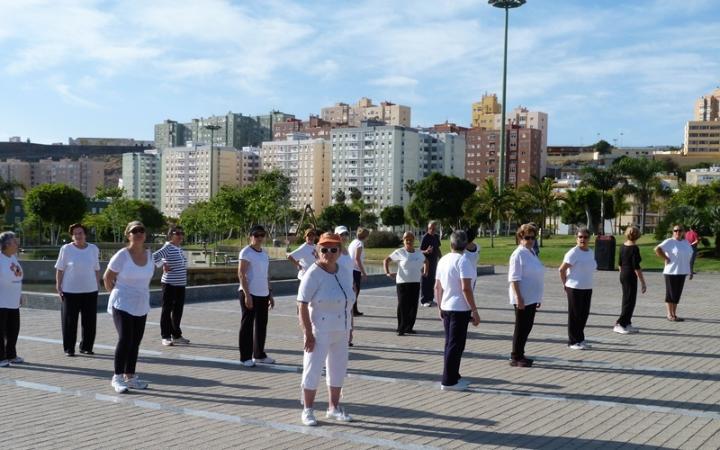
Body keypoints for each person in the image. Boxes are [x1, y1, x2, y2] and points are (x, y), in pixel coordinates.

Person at [298, 232, 355, 426]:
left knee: (337, 370)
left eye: (333, 249)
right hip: (319, 330)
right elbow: (302, 304)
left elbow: (349, 302)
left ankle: (333, 407)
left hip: (341, 329)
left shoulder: (344, 271)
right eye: (324, 249)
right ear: (317, 250)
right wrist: (307, 333)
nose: (328, 253)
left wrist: (351, 327)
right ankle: (307, 410)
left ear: (340, 251)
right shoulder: (313, 274)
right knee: (312, 369)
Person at [103, 221, 154, 393]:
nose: (138, 233)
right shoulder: (122, 255)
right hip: (122, 302)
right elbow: (107, 278)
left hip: (141, 303)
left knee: (135, 341)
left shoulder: (150, 254)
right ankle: (117, 377)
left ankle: (130, 377)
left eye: (141, 230)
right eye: (134, 231)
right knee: (125, 338)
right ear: (128, 235)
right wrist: (115, 294)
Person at [435, 230, 480, 391]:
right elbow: (466, 288)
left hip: (447, 305)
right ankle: (448, 381)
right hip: (459, 308)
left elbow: (437, 287)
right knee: (455, 345)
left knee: (451, 344)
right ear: (465, 243)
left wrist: (439, 306)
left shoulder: (444, 260)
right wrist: (474, 310)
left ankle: (454, 375)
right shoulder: (464, 261)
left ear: (451, 243)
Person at [55, 223, 100, 357]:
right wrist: (58, 285)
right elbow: (60, 268)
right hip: (70, 291)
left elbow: (96, 269)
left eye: (80, 233)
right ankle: (69, 348)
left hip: (90, 290)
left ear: (85, 234)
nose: (78, 236)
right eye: (75, 234)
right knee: (69, 321)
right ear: (72, 236)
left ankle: (86, 346)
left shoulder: (93, 249)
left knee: (90, 321)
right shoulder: (66, 249)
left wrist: (97, 285)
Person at [238, 225, 275, 367]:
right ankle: (245, 357)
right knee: (247, 326)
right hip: (249, 293)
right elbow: (241, 274)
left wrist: (270, 293)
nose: (259, 238)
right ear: (250, 236)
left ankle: (259, 354)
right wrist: (247, 295)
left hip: (263, 293)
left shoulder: (264, 253)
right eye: (256, 235)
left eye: (262, 235)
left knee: (261, 325)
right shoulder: (246, 252)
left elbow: (266, 275)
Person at [508, 224, 544, 367]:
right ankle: (515, 357)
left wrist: (538, 297)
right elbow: (514, 278)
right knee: (521, 327)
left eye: (533, 238)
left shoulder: (531, 252)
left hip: (532, 297)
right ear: (520, 237)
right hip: (522, 298)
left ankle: (521, 353)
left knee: (527, 327)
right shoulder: (518, 254)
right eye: (527, 237)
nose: (530, 240)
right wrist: (519, 298)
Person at [559, 227, 597, 350]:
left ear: (589, 238)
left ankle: (580, 339)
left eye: (585, 237)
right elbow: (562, 269)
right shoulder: (573, 253)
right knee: (575, 315)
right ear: (576, 238)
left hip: (587, 287)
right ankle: (573, 341)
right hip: (574, 287)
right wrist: (565, 284)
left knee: (584, 315)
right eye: (580, 237)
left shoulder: (590, 252)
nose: (583, 239)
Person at [383, 232, 428, 336]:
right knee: (403, 305)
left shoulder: (418, 253)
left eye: (411, 239)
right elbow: (386, 260)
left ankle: (409, 327)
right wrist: (387, 273)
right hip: (402, 283)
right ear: (403, 241)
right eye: (406, 239)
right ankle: (401, 328)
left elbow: (426, 262)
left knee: (413, 306)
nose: (409, 241)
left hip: (415, 282)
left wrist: (426, 272)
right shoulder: (400, 252)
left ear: (414, 240)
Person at [152, 226, 189, 347]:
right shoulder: (168, 247)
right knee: (167, 310)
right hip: (169, 284)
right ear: (171, 235)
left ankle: (176, 335)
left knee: (178, 311)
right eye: (177, 233)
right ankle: (165, 336)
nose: (180, 235)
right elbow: (154, 256)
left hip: (180, 284)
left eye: (181, 233)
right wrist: (163, 264)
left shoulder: (179, 248)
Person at [655, 224, 693, 322]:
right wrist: (666, 258)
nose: (678, 232)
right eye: (675, 231)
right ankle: (669, 314)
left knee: (677, 294)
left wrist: (690, 270)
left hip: (682, 271)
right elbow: (657, 249)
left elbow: (689, 257)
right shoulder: (670, 241)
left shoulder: (686, 242)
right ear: (673, 232)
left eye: (680, 230)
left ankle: (674, 314)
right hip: (671, 272)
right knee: (670, 293)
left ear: (683, 232)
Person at [614, 225, 646, 334]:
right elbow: (636, 267)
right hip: (630, 275)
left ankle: (627, 323)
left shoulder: (622, 246)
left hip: (623, 274)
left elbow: (619, 264)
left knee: (629, 299)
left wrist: (622, 274)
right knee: (628, 300)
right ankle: (620, 324)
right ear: (637, 235)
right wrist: (643, 282)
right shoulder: (634, 248)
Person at [0, 232, 23, 368]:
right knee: (0, 331)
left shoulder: (13, 257)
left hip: (13, 301)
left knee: (13, 329)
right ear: (6, 244)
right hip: (1, 301)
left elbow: (17, 276)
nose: (17, 244)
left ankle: (11, 355)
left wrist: (19, 293)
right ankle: (0, 357)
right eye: (14, 242)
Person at [334, 226, 355, 345]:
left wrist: (353, 284)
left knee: (349, 313)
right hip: (338, 288)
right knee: (340, 314)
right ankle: (341, 338)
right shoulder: (334, 251)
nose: (343, 237)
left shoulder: (347, 251)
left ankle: (349, 336)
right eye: (341, 234)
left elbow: (349, 270)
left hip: (349, 287)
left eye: (345, 234)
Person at [348, 227, 370, 317]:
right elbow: (357, 259)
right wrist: (363, 272)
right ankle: (352, 310)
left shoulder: (353, 242)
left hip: (350, 268)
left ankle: (354, 309)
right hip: (355, 270)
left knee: (354, 290)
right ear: (365, 236)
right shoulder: (359, 244)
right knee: (355, 291)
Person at [420, 221, 442, 307]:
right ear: (428, 228)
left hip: (434, 263)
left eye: (433, 229)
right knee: (425, 281)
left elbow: (438, 249)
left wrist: (441, 258)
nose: (432, 230)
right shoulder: (425, 237)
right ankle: (424, 300)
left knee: (432, 281)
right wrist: (426, 251)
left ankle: (430, 299)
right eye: (430, 228)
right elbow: (420, 251)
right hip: (425, 263)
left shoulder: (436, 237)